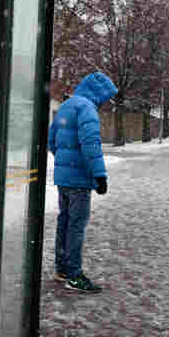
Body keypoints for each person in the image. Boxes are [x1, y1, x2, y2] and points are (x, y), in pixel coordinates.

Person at [47, 71, 117, 293]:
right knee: (76, 226)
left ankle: (62, 269)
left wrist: (64, 164)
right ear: (98, 92)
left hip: (64, 179)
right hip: (79, 180)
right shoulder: (87, 108)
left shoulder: (68, 106)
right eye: (106, 97)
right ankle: (74, 275)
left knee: (65, 222)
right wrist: (99, 176)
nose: (106, 102)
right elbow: (91, 145)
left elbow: (52, 141)